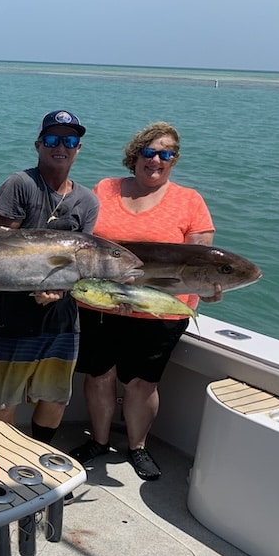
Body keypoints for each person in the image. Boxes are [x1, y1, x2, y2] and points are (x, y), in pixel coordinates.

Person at [70, 122, 218, 481]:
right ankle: (100, 441)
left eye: (165, 153)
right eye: (149, 152)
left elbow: (205, 262)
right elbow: (81, 243)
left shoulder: (189, 201)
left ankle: (137, 446)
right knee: (100, 375)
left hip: (159, 311)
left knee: (142, 382)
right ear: (134, 156)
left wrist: (213, 289)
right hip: (101, 304)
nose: (156, 160)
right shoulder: (105, 189)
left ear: (174, 160)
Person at [0, 110, 99, 448]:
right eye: (52, 139)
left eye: (69, 140)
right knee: (7, 399)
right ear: (39, 144)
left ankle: (41, 457)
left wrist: (60, 290)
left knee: (55, 398)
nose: (60, 146)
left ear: (79, 147)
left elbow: (84, 262)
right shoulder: (20, 185)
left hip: (63, 320)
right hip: (14, 317)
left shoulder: (87, 201)